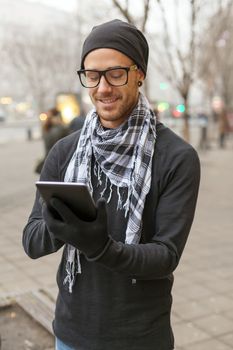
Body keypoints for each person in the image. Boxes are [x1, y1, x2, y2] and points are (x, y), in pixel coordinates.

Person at [23, 19, 200, 350]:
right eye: (92, 75)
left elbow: (165, 255)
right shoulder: (65, 150)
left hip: (141, 338)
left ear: (139, 74)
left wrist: (102, 248)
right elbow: (31, 243)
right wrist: (58, 227)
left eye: (115, 73)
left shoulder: (177, 157)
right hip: (71, 332)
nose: (103, 87)